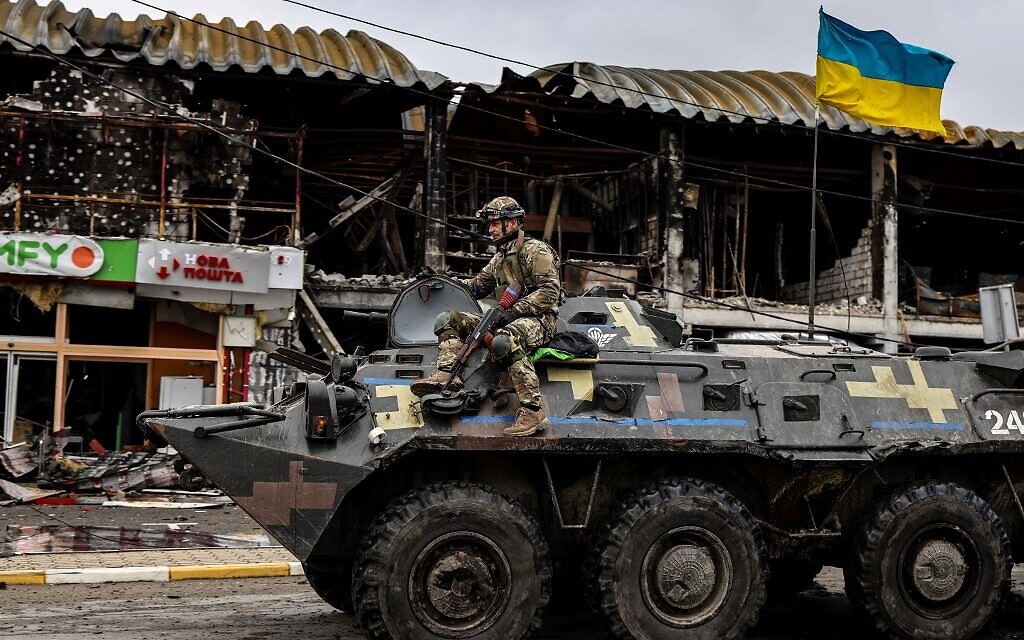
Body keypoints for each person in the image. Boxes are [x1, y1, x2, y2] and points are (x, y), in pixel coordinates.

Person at [411, 196, 561, 437]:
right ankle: (449, 373)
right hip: (507, 315)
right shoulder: (501, 256)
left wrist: (514, 311)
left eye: (494, 223)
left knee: (503, 339)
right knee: (447, 319)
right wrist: (441, 281)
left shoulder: (536, 250)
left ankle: (532, 409)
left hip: (541, 319)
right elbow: (477, 286)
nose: (490, 229)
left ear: (511, 223)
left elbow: (550, 292)